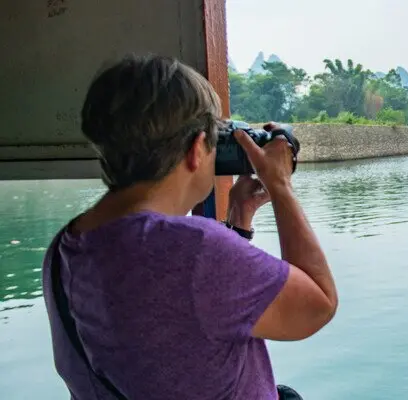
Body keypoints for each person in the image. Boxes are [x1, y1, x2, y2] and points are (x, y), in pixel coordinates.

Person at [41, 54, 338, 399]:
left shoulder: (65, 249)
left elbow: (184, 320)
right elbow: (317, 305)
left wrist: (239, 217)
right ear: (197, 149)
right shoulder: (196, 249)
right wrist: (280, 185)